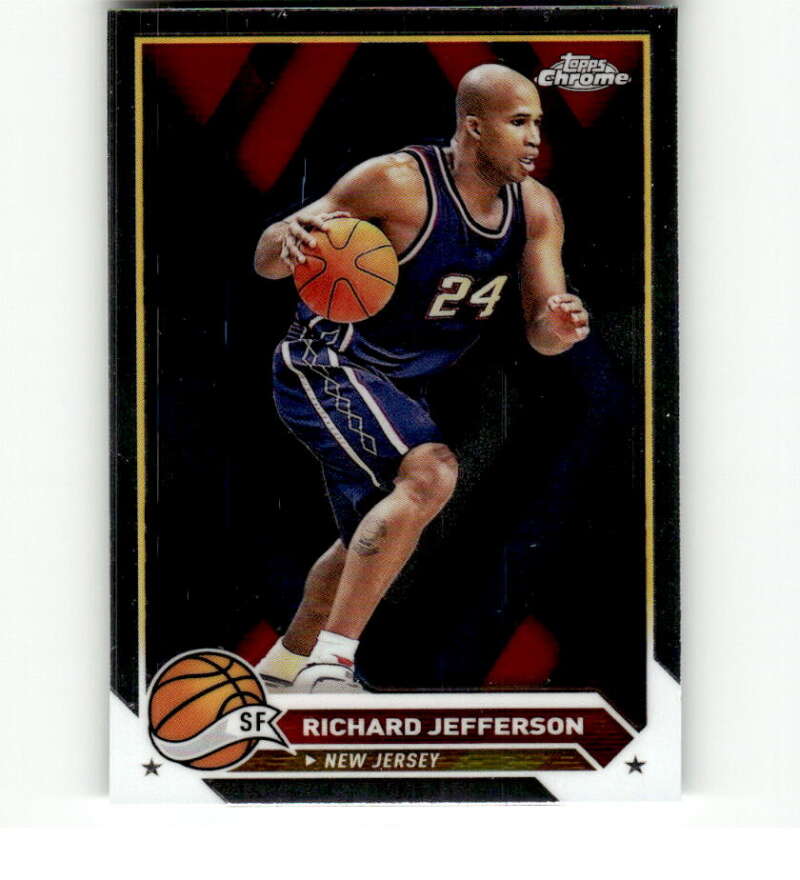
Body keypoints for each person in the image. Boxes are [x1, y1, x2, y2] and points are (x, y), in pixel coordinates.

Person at [252, 64, 589, 692]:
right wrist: (285, 237)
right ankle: (333, 667)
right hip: (326, 361)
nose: (534, 138)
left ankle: (284, 668)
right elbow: (269, 261)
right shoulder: (396, 182)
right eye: (519, 122)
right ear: (474, 127)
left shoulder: (537, 208)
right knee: (431, 474)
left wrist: (560, 325)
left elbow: (542, 333)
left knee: (368, 534)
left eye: (539, 123)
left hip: (400, 384)